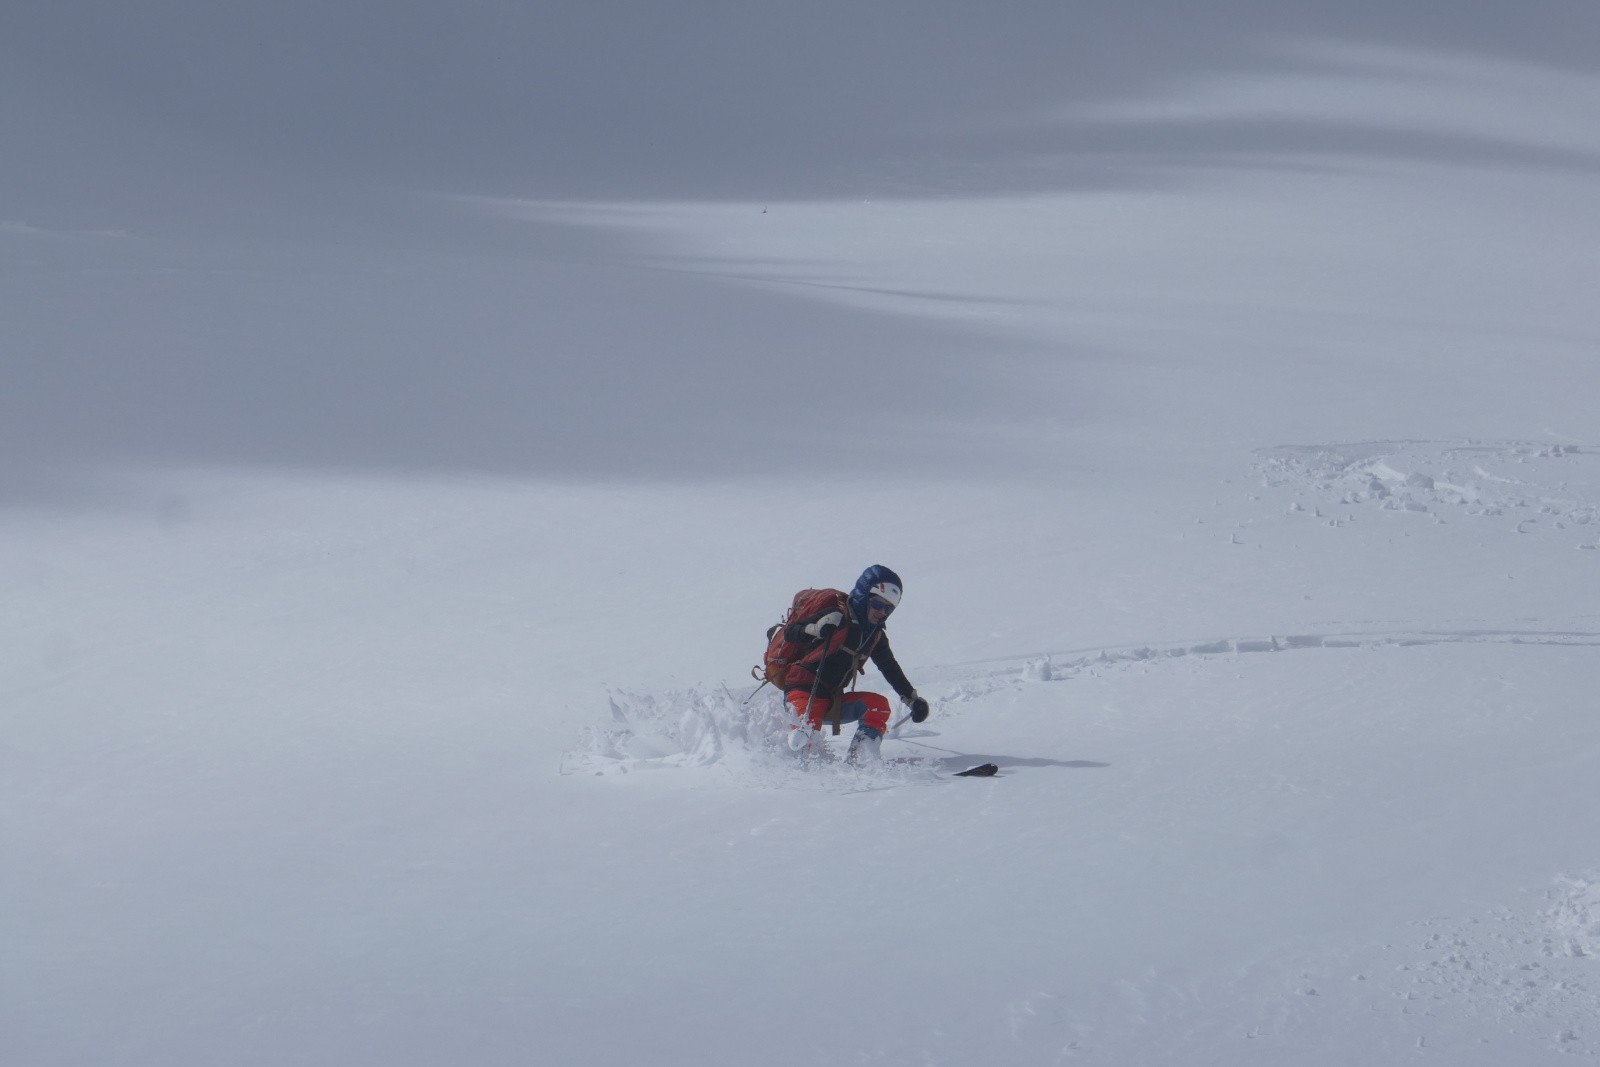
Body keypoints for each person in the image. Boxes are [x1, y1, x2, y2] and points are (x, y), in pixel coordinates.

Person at [782, 564, 930, 763]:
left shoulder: (874, 635)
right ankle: (802, 777)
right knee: (807, 744)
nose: (882, 612)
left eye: (888, 608)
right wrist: (816, 628)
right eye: (878, 604)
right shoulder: (836, 615)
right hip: (803, 693)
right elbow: (790, 633)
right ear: (864, 595)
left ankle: (860, 762)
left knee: (878, 706)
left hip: (832, 699)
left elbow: (889, 666)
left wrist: (912, 699)